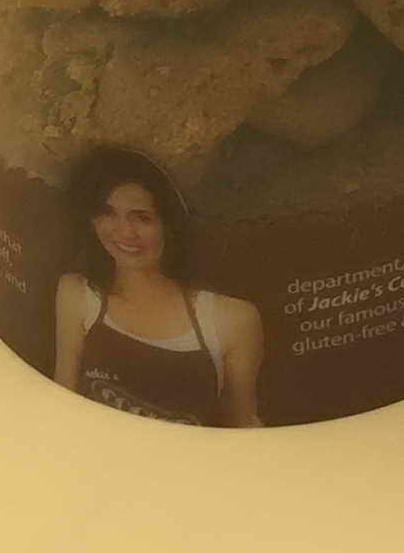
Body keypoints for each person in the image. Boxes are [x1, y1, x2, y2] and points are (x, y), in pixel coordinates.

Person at [51, 149, 263, 427]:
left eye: (142, 218)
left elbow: (241, 426)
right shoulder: (76, 294)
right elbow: (62, 402)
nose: (124, 232)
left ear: (168, 226)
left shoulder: (231, 320)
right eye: (109, 213)